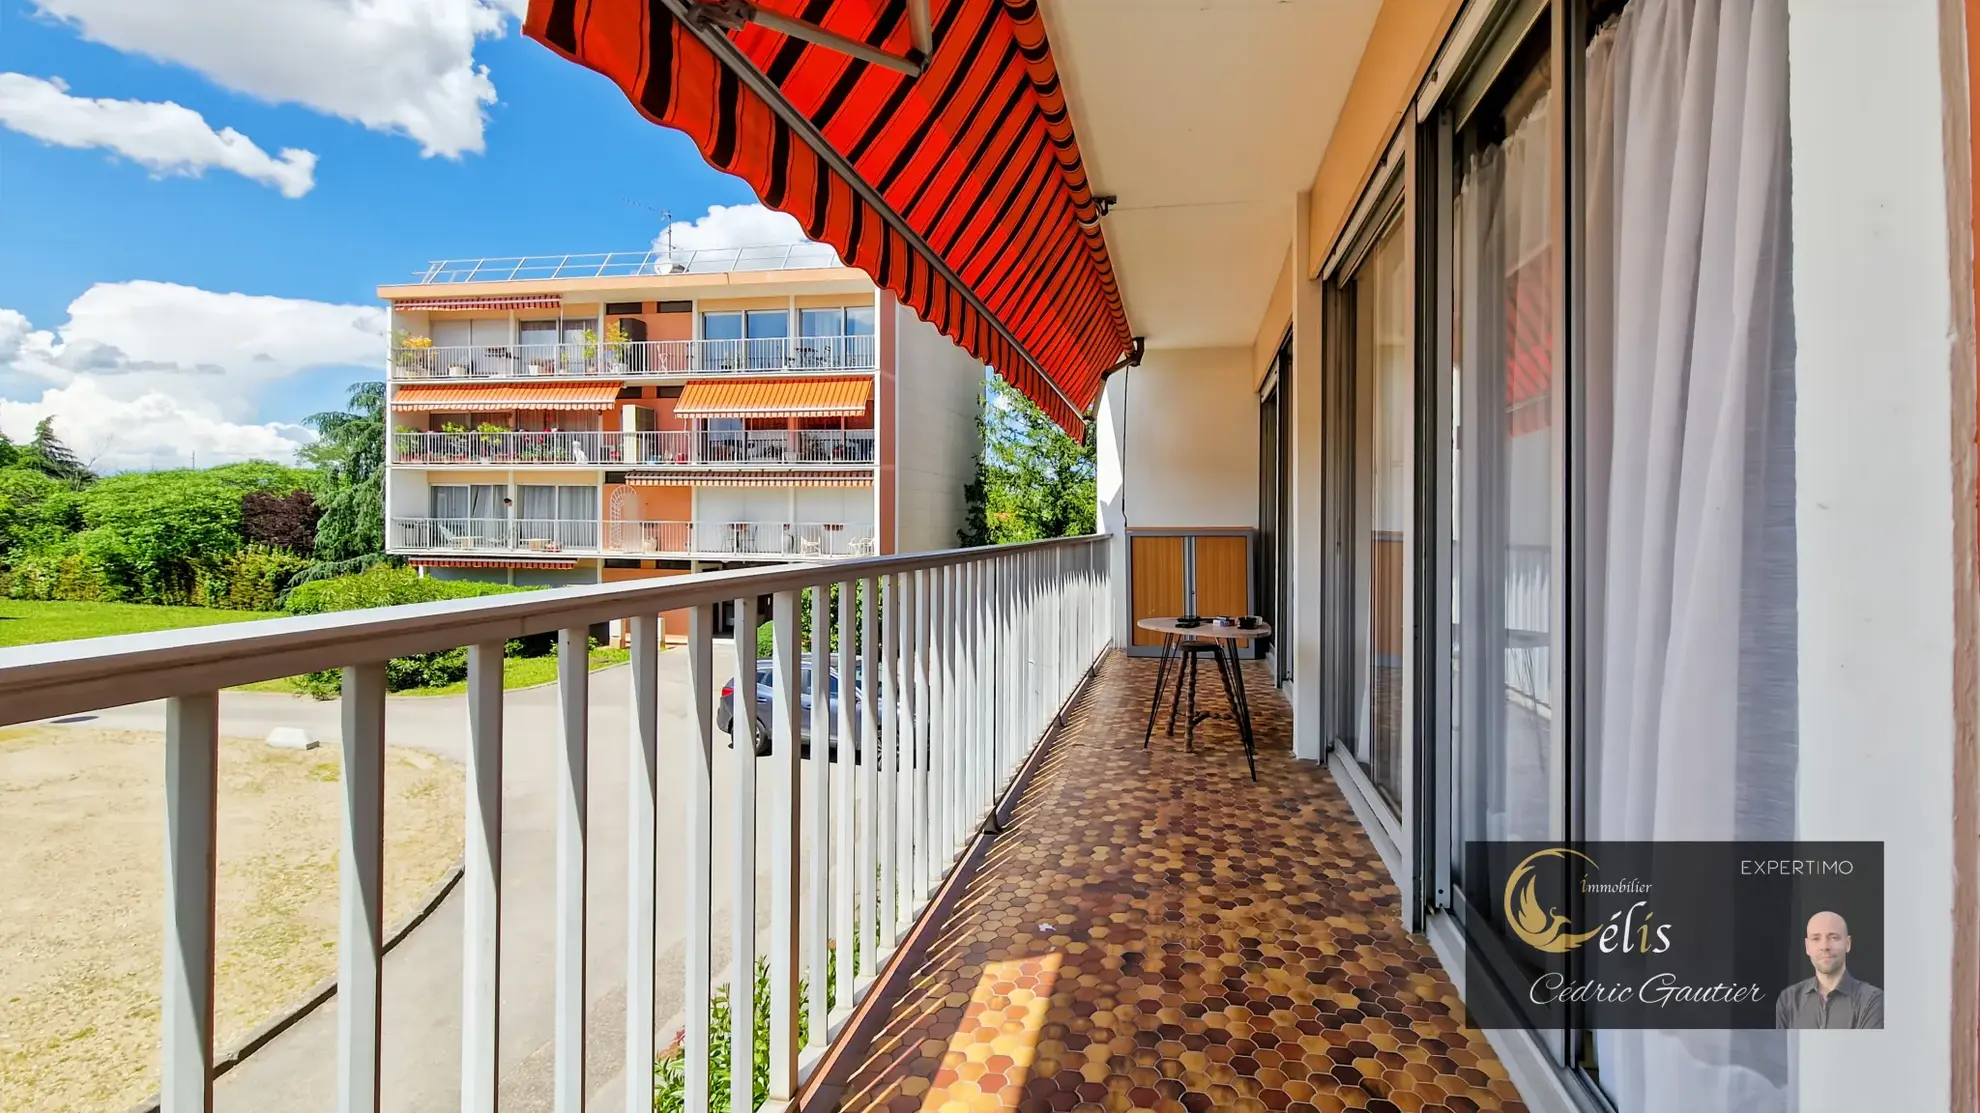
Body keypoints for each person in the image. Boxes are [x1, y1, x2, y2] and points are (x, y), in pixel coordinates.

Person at [1775, 910, 1884, 1029]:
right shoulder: (1788, 999)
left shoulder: (1872, 1000)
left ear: (1848, 944)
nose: (1824, 947)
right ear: (1807, 947)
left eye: (1833, 938)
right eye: (1816, 939)